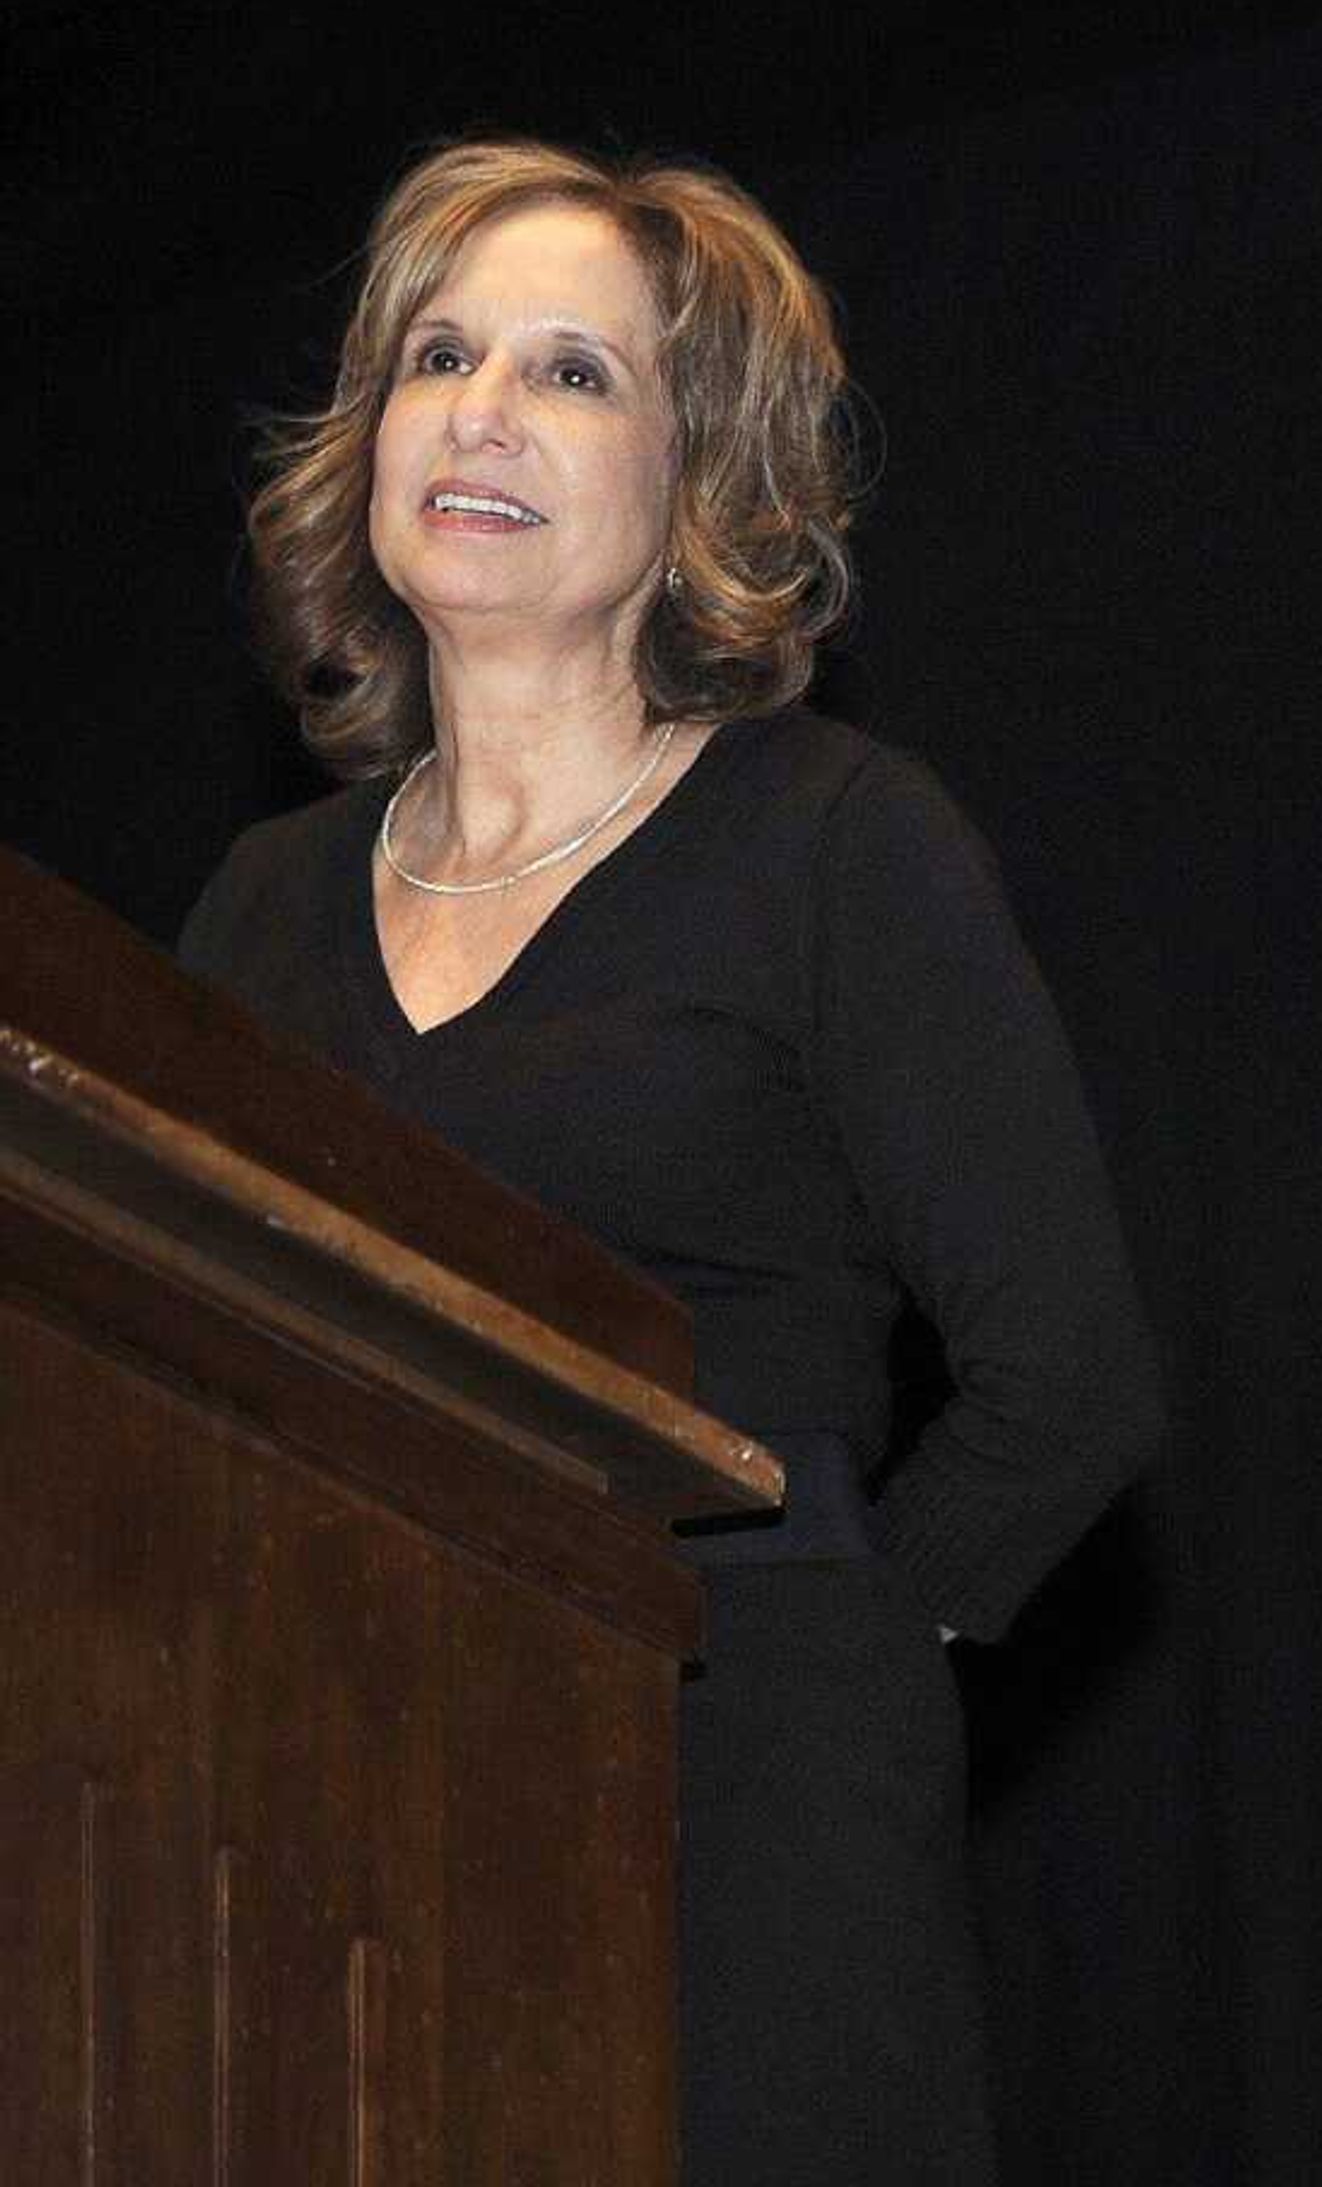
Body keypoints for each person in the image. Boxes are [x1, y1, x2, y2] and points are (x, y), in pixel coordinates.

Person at [180, 139, 1165, 2187]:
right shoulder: (257, 912)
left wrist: (824, 1651)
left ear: (697, 487)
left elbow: (1067, 1381)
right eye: (440, 356)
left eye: (573, 376)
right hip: (317, 1802)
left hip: (738, 1824)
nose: (479, 411)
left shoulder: (836, 843)